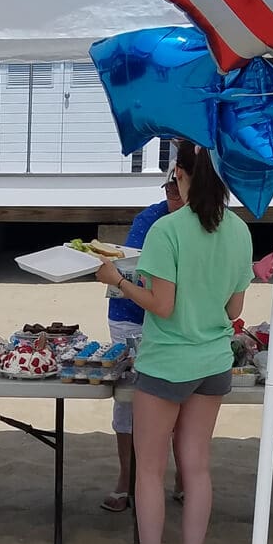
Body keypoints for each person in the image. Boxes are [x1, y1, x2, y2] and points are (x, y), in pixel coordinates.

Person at [96, 140, 253, 544]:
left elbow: (160, 306)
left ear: (179, 174)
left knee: (149, 470)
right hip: (213, 361)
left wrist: (119, 280)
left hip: (168, 363)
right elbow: (234, 307)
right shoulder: (239, 231)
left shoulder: (168, 230)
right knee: (197, 468)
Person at [99, 175, 185, 514]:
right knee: (128, 398)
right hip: (131, 313)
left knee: (180, 397)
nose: (175, 193)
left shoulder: (206, 221)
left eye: (181, 185)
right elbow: (131, 265)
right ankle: (126, 478)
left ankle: (182, 478)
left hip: (175, 317)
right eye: (170, 187)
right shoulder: (150, 218)